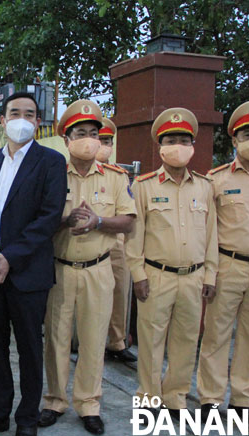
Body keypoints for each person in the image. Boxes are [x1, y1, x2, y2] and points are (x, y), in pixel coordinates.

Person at [0, 92, 66, 436]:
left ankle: (27, 419)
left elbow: (48, 217)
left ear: (38, 123)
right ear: (3, 120)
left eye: (29, 114)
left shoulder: (51, 162)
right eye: (15, 113)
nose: (22, 119)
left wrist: (11, 256)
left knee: (28, 348)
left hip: (26, 273)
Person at [40, 100, 136, 436]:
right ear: (66, 139)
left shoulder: (115, 177)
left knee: (95, 339)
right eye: (80, 133)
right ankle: (54, 399)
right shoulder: (51, 174)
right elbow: (36, 221)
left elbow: (127, 222)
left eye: (94, 133)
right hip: (59, 268)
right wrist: (63, 220)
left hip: (99, 269)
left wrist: (98, 221)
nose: (88, 139)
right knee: (56, 339)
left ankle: (89, 403)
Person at [126, 108, 217, 421]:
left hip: (194, 277)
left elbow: (212, 235)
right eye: (171, 139)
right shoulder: (144, 186)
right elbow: (133, 238)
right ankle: (148, 398)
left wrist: (210, 274)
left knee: (186, 341)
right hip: (156, 275)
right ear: (160, 146)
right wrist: (137, 274)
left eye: (183, 139)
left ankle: (176, 396)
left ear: (192, 146)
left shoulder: (205, 187)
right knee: (151, 342)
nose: (177, 145)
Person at [197, 100, 249, 422]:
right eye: (247, 134)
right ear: (234, 140)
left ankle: (244, 399)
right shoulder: (216, 180)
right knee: (216, 335)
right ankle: (211, 399)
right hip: (227, 265)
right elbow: (207, 230)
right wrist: (209, 273)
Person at [97, 117, 137, 363]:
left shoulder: (119, 175)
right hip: (88, 244)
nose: (104, 145)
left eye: (108, 141)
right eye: (100, 139)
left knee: (119, 292)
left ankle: (117, 341)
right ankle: (85, 342)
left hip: (117, 243)